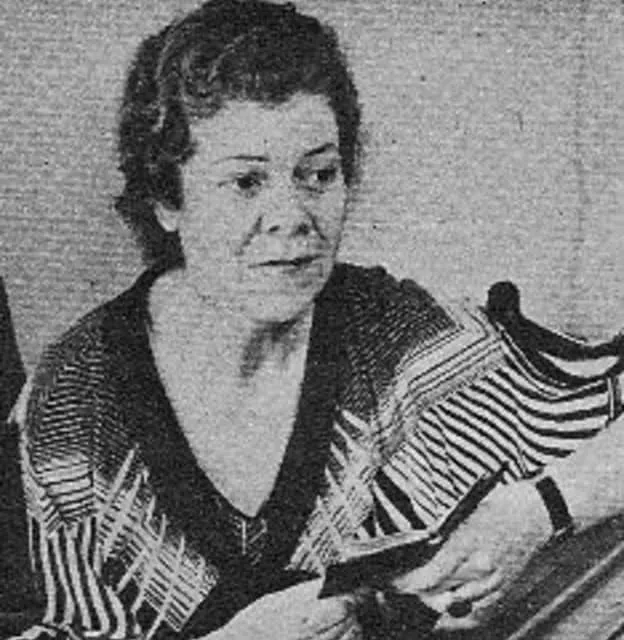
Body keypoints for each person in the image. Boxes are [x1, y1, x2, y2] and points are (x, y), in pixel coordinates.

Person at [8, 1, 624, 638]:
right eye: (246, 182)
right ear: (167, 199)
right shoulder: (78, 398)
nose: (293, 216)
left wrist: (536, 512)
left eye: (318, 174)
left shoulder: (392, 337)